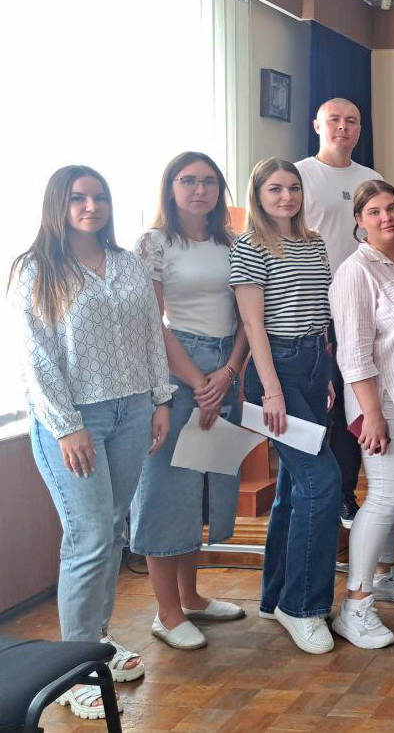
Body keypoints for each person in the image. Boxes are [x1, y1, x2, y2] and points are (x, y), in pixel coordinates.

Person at [11, 165, 172, 719]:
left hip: (132, 411)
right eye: (78, 197)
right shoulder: (35, 269)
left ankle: (96, 642)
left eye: (99, 197)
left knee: (112, 529)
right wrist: (67, 425)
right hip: (73, 420)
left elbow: (151, 334)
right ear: (58, 204)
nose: (90, 206)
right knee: (88, 536)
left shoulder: (127, 263)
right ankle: (71, 669)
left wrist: (160, 400)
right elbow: (36, 358)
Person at [131, 152, 249, 652]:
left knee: (202, 488)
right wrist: (199, 380)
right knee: (167, 490)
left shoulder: (233, 242)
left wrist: (229, 373)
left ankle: (192, 597)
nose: (199, 189)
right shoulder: (154, 242)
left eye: (208, 181)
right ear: (171, 187)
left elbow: (247, 315)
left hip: (225, 367)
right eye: (188, 180)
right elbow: (150, 324)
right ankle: (167, 613)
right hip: (175, 373)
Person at [230, 157, 339, 655]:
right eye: (275, 189)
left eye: (293, 188)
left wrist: (327, 373)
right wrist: (272, 391)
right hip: (277, 369)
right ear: (258, 193)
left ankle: (276, 597)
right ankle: (303, 607)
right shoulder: (250, 247)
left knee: (294, 488)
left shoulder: (314, 243)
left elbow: (320, 311)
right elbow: (253, 325)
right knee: (322, 481)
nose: (286, 197)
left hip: (314, 363)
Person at [328, 180, 394, 651]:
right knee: (385, 494)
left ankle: (384, 574)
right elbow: (352, 352)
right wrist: (371, 413)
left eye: (392, 207)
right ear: (359, 221)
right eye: (374, 211)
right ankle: (356, 605)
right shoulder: (356, 272)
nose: (386, 217)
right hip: (380, 398)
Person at [296, 97, 384, 530]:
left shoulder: (371, 179)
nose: (343, 127)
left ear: (359, 129)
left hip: (362, 306)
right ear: (317, 125)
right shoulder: (298, 176)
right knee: (318, 404)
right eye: (334, 120)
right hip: (311, 308)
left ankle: (346, 493)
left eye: (351, 121)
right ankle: (313, 495)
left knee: (354, 400)